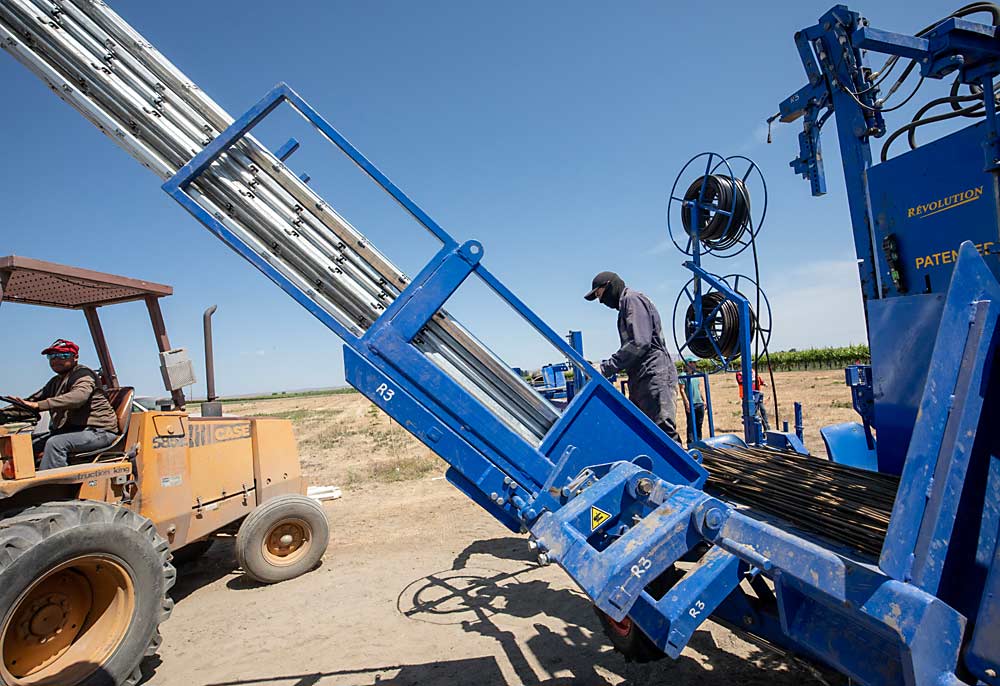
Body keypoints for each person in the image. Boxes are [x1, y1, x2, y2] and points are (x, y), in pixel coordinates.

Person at [585, 271, 680, 442]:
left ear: (609, 286)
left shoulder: (632, 300)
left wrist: (605, 368)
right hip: (642, 377)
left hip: (654, 375)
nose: (601, 301)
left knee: (664, 435)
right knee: (647, 435)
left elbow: (639, 343)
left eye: (600, 295)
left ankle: (682, 468)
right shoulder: (625, 307)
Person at [9, 339, 119, 469]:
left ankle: (52, 487)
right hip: (73, 431)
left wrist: (40, 405)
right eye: (52, 356)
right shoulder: (55, 382)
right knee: (26, 444)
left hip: (99, 431)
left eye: (63, 355)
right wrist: (7, 413)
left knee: (56, 443)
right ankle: (20, 482)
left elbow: (78, 397)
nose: (56, 360)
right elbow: (30, 402)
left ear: (75, 357)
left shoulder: (83, 375)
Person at [679, 357, 705, 445]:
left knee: (699, 424)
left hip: (699, 402)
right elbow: (682, 390)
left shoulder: (696, 374)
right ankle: (690, 443)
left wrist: (704, 400)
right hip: (691, 403)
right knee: (691, 424)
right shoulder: (683, 375)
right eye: (693, 362)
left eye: (695, 362)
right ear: (688, 363)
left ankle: (699, 441)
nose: (695, 364)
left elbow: (699, 388)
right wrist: (687, 403)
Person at [736, 366, 769, 431]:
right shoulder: (739, 373)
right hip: (747, 396)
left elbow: (758, 378)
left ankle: (767, 428)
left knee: (763, 411)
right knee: (752, 413)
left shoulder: (753, 371)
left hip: (757, 395)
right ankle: (753, 429)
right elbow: (740, 381)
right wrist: (750, 379)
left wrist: (763, 383)